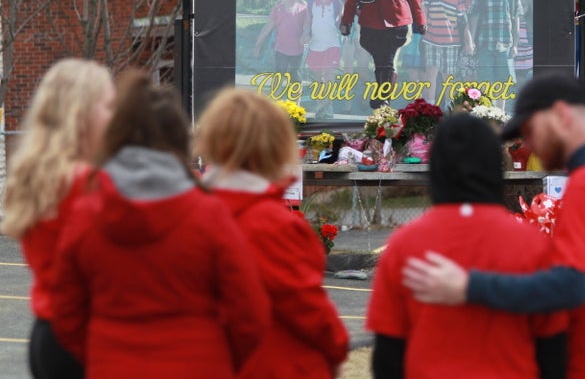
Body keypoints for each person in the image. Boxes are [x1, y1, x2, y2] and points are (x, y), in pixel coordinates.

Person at [402, 74, 585, 379]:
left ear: (561, 116)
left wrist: (468, 286)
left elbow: (571, 285)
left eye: (531, 129)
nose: (531, 143)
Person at [51, 71, 270, 379]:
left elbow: (64, 311)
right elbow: (251, 313)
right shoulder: (210, 215)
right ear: (181, 139)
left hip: (112, 365)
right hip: (199, 364)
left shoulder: (85, 215)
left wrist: (99, 352)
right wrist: (219, 356)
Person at [367, 113, 566, 378]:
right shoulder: (531, 244)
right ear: (495, 169)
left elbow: (388, 356)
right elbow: (554, 351)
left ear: (436, 171)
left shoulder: (405, 246)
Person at [196, 88, 349, 378]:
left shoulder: (187, 216)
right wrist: (336, 347)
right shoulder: (273, 225)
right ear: (276, 145)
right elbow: (308, 310)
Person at [1, 59, 114, 379]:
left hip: (48, 330)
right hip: (84, 334)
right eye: (108, 105)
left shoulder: (37, 175)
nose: (114, 116)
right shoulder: (88, 183)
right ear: (82, 116)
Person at [468, 0, 522, 101]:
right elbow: (474, 18)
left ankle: (499, 116)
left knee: (502, 83)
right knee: (485, 82)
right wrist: (471, 40)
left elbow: (516, 19)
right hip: (485, 45)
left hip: (505, 46)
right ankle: (486, 113)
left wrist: (515, 45)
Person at [420, 0, 472, 105]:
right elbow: (422, 13)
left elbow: (463, 20)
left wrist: (468, 40)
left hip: (451, 42)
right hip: (431, 40)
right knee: (431, 73)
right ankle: (430, 107)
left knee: (448, 76)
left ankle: (449, 107)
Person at [302, 0, 344, 119]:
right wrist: (305, 35)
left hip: (332, 45)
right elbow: (308, 23)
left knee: (329, 76)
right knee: (317, 78)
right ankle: (321, 105)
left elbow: (341, 23)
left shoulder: (337, 2)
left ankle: (327, 107)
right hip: (315, 46)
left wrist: (345, 25)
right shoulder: (311, 2)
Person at [254, 0, 308, 82]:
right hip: (281, 50)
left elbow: (308, 27)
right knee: (279, 77)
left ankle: (295, 99)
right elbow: (267, 28)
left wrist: (305, 35)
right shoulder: (278, 10)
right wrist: (258, 44)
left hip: (297, 51)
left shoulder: (303, 10)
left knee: (295, 78)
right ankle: (276, 97)